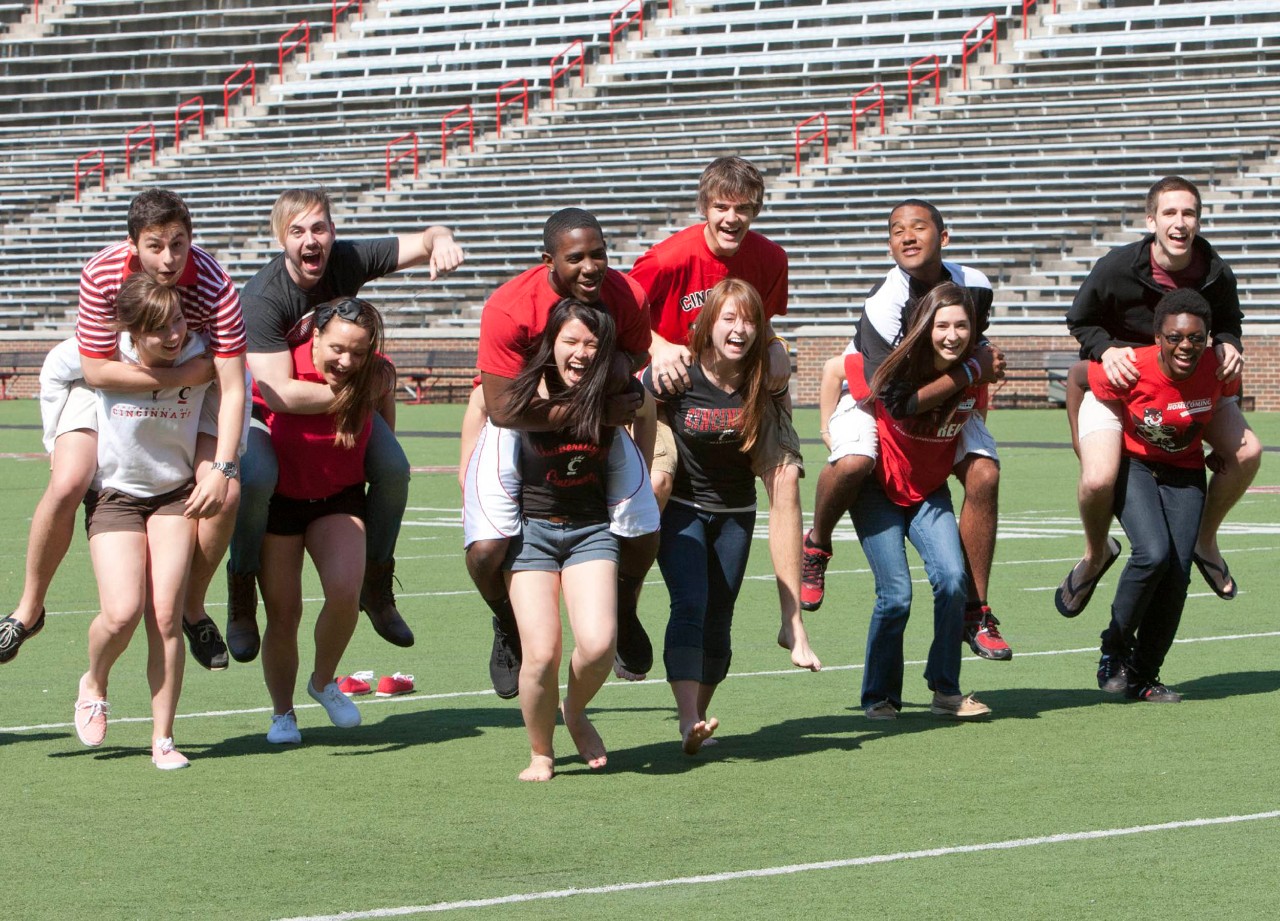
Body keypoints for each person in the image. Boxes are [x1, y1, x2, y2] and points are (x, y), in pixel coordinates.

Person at [0, 189, 246, 671]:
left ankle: (193, 608)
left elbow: (234, 386)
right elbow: (95, 371)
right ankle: (29, 610)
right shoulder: (102, 272)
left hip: (197, 377)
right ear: (133, 245)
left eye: (179, 242)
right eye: (155, 245)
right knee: (70, 480)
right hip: (114, 374)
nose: (170, 257)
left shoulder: (216, 284)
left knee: (228, 492)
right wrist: (182, 376)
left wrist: (222, 466)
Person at [230, 188, 465, 662]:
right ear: (282, 238)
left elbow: (425, 238)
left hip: (338, 400)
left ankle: (376, 586)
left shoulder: (348, 257)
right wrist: (361, 396)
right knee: (255, 476)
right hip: (266, 411)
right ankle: (240, 593)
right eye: (297, 231)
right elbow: (280, 393)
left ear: (333, 232)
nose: (310, 240)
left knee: (394, 469)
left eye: (319, 228)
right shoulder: (262, 297)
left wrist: (442, 241)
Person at [629, 157, 819, 673]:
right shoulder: (668, 260)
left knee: (787, 477)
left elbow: (763, 322)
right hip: (672, 392)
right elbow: (619, 313)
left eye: (743, 208)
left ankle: (792, 620)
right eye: (721, 207)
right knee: (660, 479)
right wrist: (658, 343)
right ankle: (628, 601)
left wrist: (777, 343)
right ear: (704, 208)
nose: (732, 218)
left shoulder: (770, 258)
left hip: (747, 388)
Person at [463, 208, 659, 698]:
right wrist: (594, 407)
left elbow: (636, 355)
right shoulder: (509, 307)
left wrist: (614, 380)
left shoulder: (626, 293)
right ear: (549, 260)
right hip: (523, 424)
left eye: (599, 255)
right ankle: (506, 622)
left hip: (598, 423)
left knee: (644, 526)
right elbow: (505, 410)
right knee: (487, 548)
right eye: (576, 258)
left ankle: (624, 606)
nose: (591, 267)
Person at [803, 199, 1011, 662]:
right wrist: (972, 371)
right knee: (855, 461)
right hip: (877, 398)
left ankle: (976, 610)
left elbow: (973, 346)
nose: (908, 237)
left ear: (944, 236)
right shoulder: (885, 303)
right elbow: (896, 401)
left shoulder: (974, 285)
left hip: (940, 391)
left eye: (919, 227)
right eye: (897, 231)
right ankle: (816, 543)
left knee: (985, 474)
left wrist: (982, 369)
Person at [1058, 176, 1257, 615]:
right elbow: (1080, 319)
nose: (1180, 222)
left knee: (1248, 454)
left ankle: (1205, 541)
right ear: (1151, 220)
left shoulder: (1216, 271)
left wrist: (1229, 344)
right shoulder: (1117, 267)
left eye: (1188, 213)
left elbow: (1230, 322)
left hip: (1187, 387)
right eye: (1169, 213)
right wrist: (1106, 350)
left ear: (1199, 221)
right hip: (1121, 386)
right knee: (1097, 479)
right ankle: (1095, 555)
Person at [72, 274, 220, 769]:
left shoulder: (203, 354)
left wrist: (213, 469)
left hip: (174, 496)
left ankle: (163, 738)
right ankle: (94, 681)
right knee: (121, 613)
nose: (174, 335)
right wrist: (62, 446)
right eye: (159, 330)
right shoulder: (104, 356)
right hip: (114, 496)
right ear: (132, 334)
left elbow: (223, 403)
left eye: (177, 320)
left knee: (163, 615)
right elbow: (59, 371)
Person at [847, 283, 993, 720]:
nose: (952, 334)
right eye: (942, 325)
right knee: (895, 596)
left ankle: (945, 690)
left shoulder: (977, 373)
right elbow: (846, 370)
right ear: (924, 326)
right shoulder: (897, 365)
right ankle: (880, 696)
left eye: (962, 325)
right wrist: (827, 426)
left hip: (929, 491)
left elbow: (971, 427)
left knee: (952, 580)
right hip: (877, 490)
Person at [643, 278, 776, 754]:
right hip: (682, 509)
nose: (740, 329)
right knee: (691, 603)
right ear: (708, 323)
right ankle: (685, 719)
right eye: (730, 318)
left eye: (749, 320)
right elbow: (634, 407)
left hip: (737, 512)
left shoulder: (764, 378)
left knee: (721, 616)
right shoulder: (679, 374)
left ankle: (699, 717)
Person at [498, 299, 629, 781]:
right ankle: (541, 751)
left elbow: (648, 424)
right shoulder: (523, 389)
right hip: (532, 532)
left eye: (592, 343)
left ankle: (574, 712)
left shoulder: (616, 390)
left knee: (597, 645)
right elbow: (484, 423)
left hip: (590, 529)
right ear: (550, 344)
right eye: (570, 341)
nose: (580, 353)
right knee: (543, 654)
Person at [257, 297, 396, 744]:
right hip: (280, 502)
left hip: (338, 497)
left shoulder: (375, 372)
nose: (347, 360)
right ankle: (282, 714)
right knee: (284, 612)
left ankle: (322, 681)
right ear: (315, 337)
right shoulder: (282, 370)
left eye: (358, 351)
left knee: (343, 593)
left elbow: (383, 417)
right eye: (337, 348)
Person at [1090, 290, 1239, 702]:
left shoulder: (1218, 367)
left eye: (1195, 338)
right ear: (1158, 337)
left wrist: (1219, 449)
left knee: (1177, 573)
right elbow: (1077, 382)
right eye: (1175, 337)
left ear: (1208, 339)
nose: (1185, 346)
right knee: (1153, 553)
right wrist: (1084, 447)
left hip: (1186, 471)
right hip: (1135, 465)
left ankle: (1144, 676)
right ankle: (1113, 649)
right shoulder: (1130, 367)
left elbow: (1221, 403)